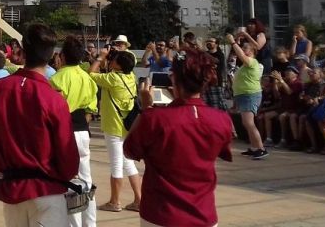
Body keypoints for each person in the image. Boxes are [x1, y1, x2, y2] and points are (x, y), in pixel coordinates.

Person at [0, 24, 78, 226]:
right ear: (52, 57)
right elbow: (68, 160)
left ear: (22, 52)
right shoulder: (53, 98)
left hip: (13, 188)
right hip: (47, 190)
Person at [124, 49, 233, 227]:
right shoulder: (221, 119)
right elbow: (223, 151)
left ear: (173, 78)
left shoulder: (155, 118)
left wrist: (146, 109)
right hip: (204, 214)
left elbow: (129, 151)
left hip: (161, 215)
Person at [50, 36, 99, 227]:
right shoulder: (87, 77)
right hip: (82, 131)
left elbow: (55, 109)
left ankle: (74, 225)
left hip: (65, 132)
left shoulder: (57, 78)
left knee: (68, 182)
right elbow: (91, 109)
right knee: (86, 181)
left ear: (61, 56)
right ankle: (90, 224)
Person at [89, 46, 142, 213]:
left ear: (118, 66)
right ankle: (139, 200)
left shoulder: (112, 78)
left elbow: (90, 74)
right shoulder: (131, 77)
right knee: (129, 163)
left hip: (113, 126)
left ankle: (115, 201)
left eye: (114, 59)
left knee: (116, 165)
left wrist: (100, 57)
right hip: (127, 125)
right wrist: (109, 60)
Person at [227, 33, 268, 159]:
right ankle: (254, 147)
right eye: (243, 48)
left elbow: (241, 55)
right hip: (243, 95)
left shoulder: (253, 62)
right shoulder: (245, 66)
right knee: (246, 123)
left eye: (246, 48)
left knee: (249, 123)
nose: (244, 50)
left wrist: (233, 42)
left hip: (250, 95)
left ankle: (261, 148)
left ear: (252, 51)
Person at [203, 36, 227, 111]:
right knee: (206, 106)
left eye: (211, 41)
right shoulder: (205, 54)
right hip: (205, 83)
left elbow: (216, 61)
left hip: (216, 83)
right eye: (208, 41)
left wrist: (203, 52)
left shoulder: (220, 54)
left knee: (217, 106)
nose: (209, 43)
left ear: (216, 44)